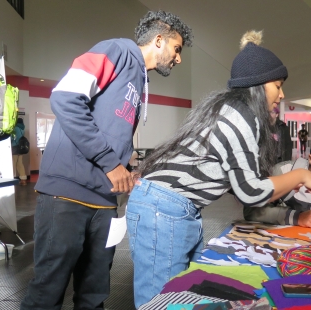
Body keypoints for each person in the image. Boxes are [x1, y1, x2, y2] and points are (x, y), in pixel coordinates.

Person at [126, 30, 311, 308]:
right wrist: (300, 175)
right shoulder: (240, 116)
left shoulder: (234, 111)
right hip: (163, 208)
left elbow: (240, 180)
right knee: (162, 303)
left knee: (184, 296)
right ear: (258, 85)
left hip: (174, 208)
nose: (282, 94)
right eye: (277, 85)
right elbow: (251, 192)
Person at [20, 11, 193, 310]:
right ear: (159, 39)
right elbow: (65, 98)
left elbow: (110, 131)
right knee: (48, 291)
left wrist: (125, 166)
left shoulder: (140, 79)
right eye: (177, 49)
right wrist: (110, 163)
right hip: (67, 195)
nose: (178, 59)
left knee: (94, 294)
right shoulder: (116, 50)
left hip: (104, 202)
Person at [11, 118, 27, 185]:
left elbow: (13, 138)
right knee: (20, 163)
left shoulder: (15, 128)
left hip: (14, 147)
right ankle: (23, 180)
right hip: (21, 148)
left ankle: (12, 179)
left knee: (13, 164)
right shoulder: (22, 128)